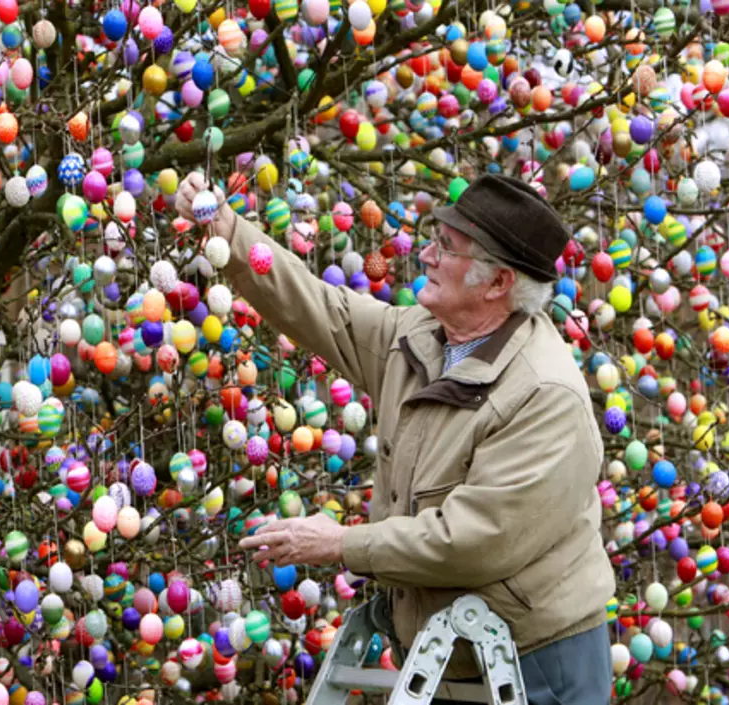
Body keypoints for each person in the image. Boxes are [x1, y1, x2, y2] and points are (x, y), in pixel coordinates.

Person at [175, 172, 616, 705]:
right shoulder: (422, 337)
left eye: (446, 248)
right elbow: (323, 311)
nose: (425, 255)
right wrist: (230, 232)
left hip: (536, 667)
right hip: (446, 654)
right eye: (433, 238)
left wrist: (340, 544)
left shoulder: (545, 396)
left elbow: (472, 540)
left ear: (497, 283)